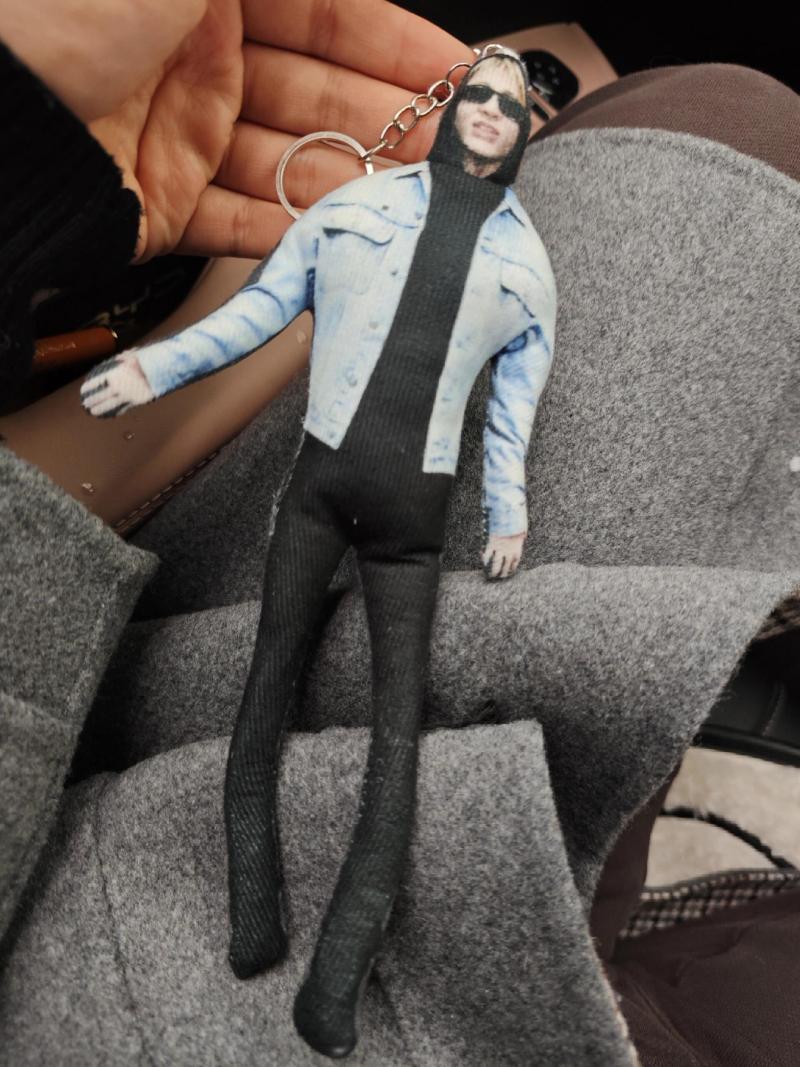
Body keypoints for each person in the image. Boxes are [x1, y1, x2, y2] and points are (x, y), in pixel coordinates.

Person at [79, 47, 557, 1057]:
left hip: (414, 528)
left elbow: (513, 412)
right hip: (315, 494)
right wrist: (155, 367)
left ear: (526, 129)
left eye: (508, 106)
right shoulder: (354, 207)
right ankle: (252, 908)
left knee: (398, 729)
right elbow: (255, 308)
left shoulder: (528, 268)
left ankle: (340, 970)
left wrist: (506, 514)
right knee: (268, 680)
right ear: (448, 106)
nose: (487, 112)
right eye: (475, 94)